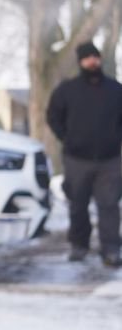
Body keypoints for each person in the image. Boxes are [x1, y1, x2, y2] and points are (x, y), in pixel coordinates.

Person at [46, 41, 122, 266]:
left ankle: (111, 248)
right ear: (81, 62)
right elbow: (53, 116)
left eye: (95, 57)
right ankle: (79, 245)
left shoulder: (115, 90)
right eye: (88, 58)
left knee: (109, 205)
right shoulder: (67, 91)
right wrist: (66, 138)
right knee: (78, 205)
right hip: (76, 158)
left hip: (110, 160)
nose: (92, 61)